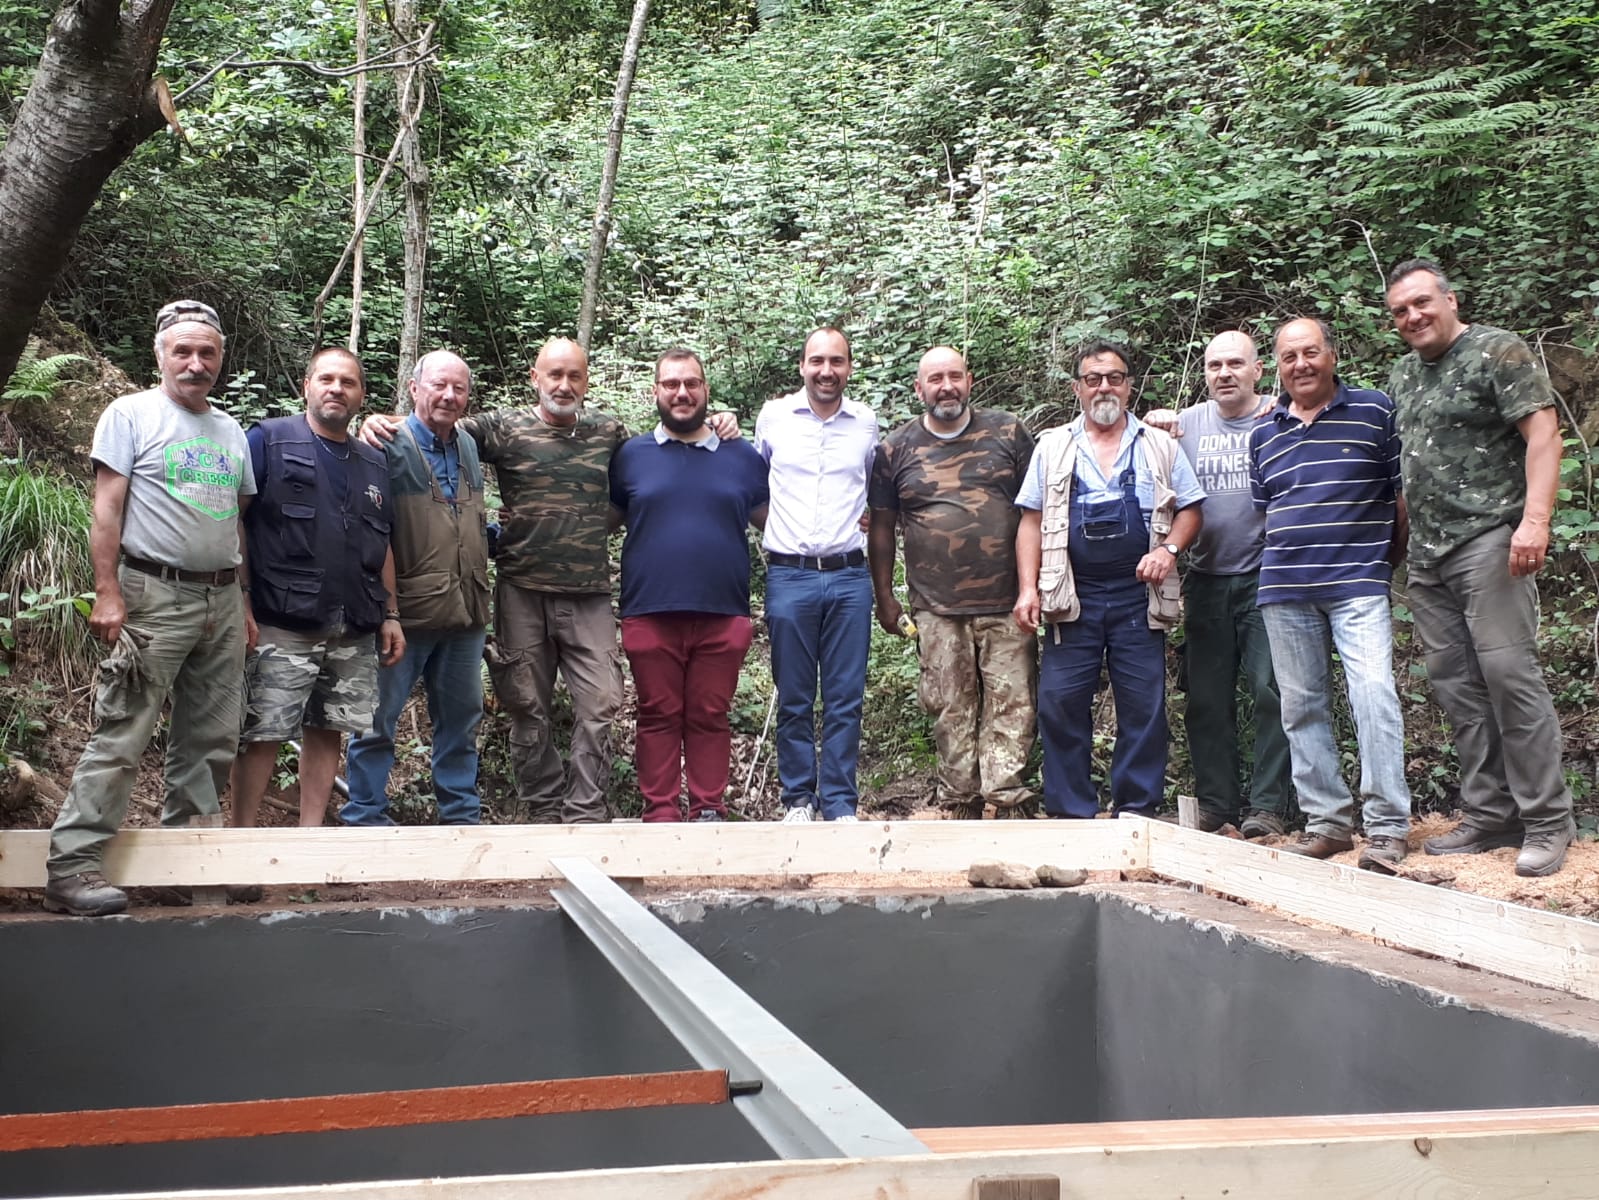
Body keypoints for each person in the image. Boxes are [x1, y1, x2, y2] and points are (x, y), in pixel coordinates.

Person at [360, 338, 738, 823]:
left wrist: (717, 424)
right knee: (526, 707)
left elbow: (664, 455)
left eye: (574, 376)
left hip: (589, 594)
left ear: (586, 381)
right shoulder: (500, 428)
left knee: (602, 704)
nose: (563, 385)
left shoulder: (609, 432)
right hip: (521, 590)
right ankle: (542, 809)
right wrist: (376, 422)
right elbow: (432, 427)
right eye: (553, 375)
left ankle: (585, 811)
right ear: (535, 378)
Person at [43, 300, 256, 916]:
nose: (196, 363)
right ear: (159, 354)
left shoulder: (230, 430)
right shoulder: (130, 415)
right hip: (152, 594)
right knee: (125, 729)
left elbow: (233, 523)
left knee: (211, 737)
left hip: (220, 596)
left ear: (220, 358)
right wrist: (108, 592)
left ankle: (184, 866)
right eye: (183, 352)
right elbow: (106, 511)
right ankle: (73, 866)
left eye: (207, 353)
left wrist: (241, 600)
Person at [1385, 259, 1576, 876]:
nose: (1413, 316)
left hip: (1491, 539)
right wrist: (1400, 547)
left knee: (1509, 676)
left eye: (1421, 303)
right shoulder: (1404, 375)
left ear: (1449, 299)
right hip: (1429, 557)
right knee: (1458, 688)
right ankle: (1490, 812)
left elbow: (1544, 436)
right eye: (1400, 311)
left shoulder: (1498, 352)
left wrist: (1536, 521)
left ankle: (1547, 820)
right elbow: (1412, 472)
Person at [1012, 340, 1204, 819]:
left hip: (1138, 595)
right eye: (1093, 378)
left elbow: (1192, 509)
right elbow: (1030, 522)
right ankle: (1070, 810)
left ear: (1129, 386)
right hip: (1070, 595)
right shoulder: (1053, 446)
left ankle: (1136, 810)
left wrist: (1168, 549)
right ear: (1077, 388)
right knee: (1059, 703)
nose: (1104, 387)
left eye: (1114, 378)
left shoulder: (1159, 445)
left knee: (1143, 705)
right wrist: (1029, 588)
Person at [1248, 317, 1412, 871]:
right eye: (1289, 356)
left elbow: (1399, 499)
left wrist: (1380, 565)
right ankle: (1328, 823)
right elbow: (1267, 512)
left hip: (1358, 585)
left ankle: (1388, 827)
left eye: (1310, 352)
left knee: (1373, 696)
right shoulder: (1263, 435)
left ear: (1332, 356)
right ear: (1276, 366)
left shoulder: (1374, 411)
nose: (1301, 364)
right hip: (1284, 589)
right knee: (1300, 709)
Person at [229, 348, 403, 828]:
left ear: (360, 394)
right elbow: (235, 519)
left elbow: (382, 541)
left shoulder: (373, 462)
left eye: (348, 382)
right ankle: (242, 840)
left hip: (353, 624)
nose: (336, 389)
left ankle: (310, 842)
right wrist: (241, 598)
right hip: (281, 620)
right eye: (326, 379)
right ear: (306, 386)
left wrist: (391, 613)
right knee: (262, 731)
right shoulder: (269, 441)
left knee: (328, 730)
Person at [868, 346, 1037, 818]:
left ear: (970, 380)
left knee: (1012, 701)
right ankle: (959, 798)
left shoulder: (1008, 432)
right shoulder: (895, 449)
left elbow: (1037, 512)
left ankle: (1005, 797)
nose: (947, 386)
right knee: (948, 706)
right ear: (919, 389)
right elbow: (881, 528)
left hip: (1007, 600)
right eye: (935, 379)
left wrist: (1034, 584)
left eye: (955, 376)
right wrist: (885, 596)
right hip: (935, 606)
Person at [608, 350, 769, 822]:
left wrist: (853, 521)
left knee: (709, 714)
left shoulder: (742, 456)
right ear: (655, 391)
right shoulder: (630, 455)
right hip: (649, 610)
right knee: (657, 714)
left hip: (724, 611)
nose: (682, 393)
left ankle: (707, 809)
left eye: (692, 383)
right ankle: (660, 812)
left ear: (705, 389)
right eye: (671, 384)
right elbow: (603, 519)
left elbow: (778, 522)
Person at [1148, 332, 1293, 838]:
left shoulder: (1280, 416)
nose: (1224, 373)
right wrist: (1155, 420)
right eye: (1214, 365)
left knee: (1271, 691)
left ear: (1258, 370)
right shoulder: (1185, 424)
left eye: (1235, 364)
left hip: (1267, 578)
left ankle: (1269, 806)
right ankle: (1215, 804)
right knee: (1206, 698)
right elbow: (1139, 440)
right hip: (1206, 577)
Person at [343, 350, 491, 826]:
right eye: (438, 386)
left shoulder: (467, 443)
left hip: (466, 611)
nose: (449, 396)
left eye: (459, 388)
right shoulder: (386, 442)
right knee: (375, 720)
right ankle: (365, 815)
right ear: (413, 388)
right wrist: (384, 609)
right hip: (405, 613)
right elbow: (366, 526)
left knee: (461, 721)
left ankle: (461, 817)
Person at [754, 328, 879, 824]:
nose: (827, 371)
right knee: (795, 695)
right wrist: (781, 527)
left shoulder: (865, 423)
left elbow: (873, 488)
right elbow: (752, 485)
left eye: (837, 362)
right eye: (817, 362)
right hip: (791, 575)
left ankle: (841, 803)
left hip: (850, 576)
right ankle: (798, 800)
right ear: (802, 366)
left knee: (846, 696)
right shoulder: (773, 418)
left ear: (849, 367)